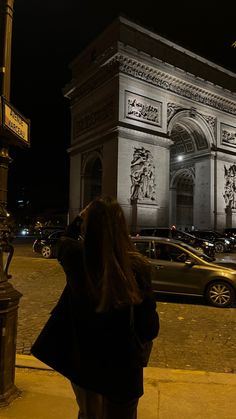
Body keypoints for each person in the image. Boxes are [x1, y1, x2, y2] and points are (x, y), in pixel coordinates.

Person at [32, 196, 159, 419]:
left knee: (87, 414)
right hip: (123, 373)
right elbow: (149, 329)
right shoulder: (138, 267)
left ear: (87, 226)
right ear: (122, 226)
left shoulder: (76, 258)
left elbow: (65, 239)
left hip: (86, 368)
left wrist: (81, 216)